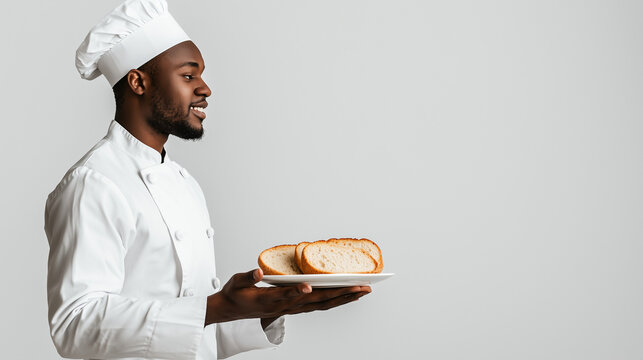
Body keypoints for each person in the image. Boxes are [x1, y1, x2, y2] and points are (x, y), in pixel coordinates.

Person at [44, 1, 371, 359]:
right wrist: (217, 307)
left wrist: (268, 309)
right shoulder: (94, 182)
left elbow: (195, 337)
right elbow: (74, 326)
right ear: (138, 82)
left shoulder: (185, 184)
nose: (205, 89)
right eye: (189, 76)